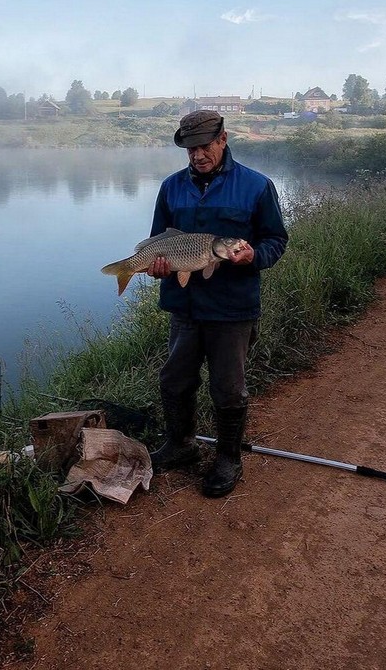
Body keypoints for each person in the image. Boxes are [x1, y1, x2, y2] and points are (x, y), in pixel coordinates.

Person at [147, 110, 288, 497]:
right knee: (175, 381)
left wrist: (252, 257)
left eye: (204, 147)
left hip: (232, 308)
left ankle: (228, 458)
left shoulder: (257, 186)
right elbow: (159, 241)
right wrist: (159, 267)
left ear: (223, 139)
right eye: (190, 150)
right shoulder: (171, 188)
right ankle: (181, 444)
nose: (197, 156)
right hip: (184, 306)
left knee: (228, 388)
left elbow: (276, 241)